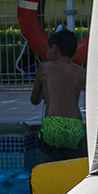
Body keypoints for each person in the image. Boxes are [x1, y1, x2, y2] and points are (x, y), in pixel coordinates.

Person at [30, 28, 87, 160]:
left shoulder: (44, 68)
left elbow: (34, 99)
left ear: (54, 48)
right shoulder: (81, 71)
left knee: (51, 162)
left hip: (53, 124)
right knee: (73, 161)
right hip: (75, 125)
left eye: (47, 49)